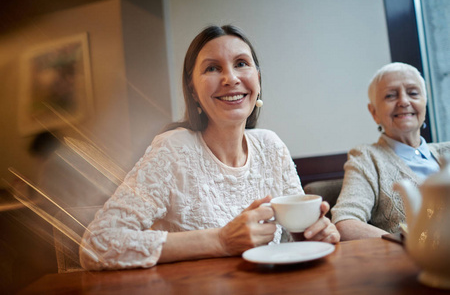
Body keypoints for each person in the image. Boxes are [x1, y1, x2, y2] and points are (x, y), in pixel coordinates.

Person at [80, 25, 340, 270]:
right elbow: (97, 244)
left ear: (257, 79)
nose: (230, 78)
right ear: (193, 90)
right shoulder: (173, 149)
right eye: (213, 68)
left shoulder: (271, 146)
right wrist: (221, 241)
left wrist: (313, 235)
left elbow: (291, 242)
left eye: (241, 64)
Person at [331, 62, 450, 241]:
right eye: (390, 95)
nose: (404, 101)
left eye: (413, 93)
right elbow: (345, 223)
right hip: (417, 265)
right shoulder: (367, 158)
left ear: (425, 102)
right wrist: (415, 244)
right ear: (374, 112)